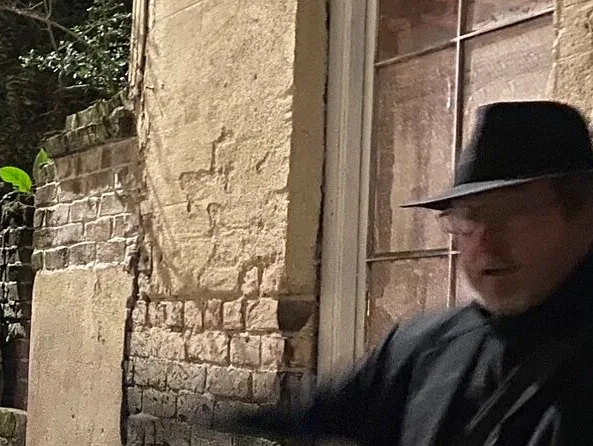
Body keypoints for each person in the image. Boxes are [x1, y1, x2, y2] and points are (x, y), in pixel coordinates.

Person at [224, 101, 593, 445]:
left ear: (585, 214)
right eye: (468, 218)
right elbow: (311, 418)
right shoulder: (424, 345)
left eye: (513, 214)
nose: (485, 243)